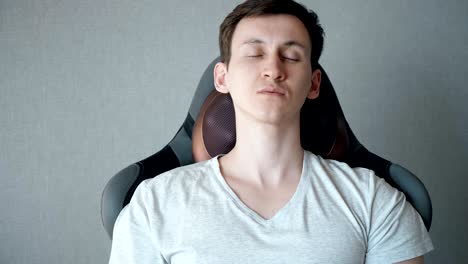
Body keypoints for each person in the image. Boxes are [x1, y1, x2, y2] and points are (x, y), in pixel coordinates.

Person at [108, 0, 433, 263]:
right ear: (222, 77)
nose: (273, 70)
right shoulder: (154, 203)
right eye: (254, 53)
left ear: (314, 83)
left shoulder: (374, 200)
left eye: (291, 56)